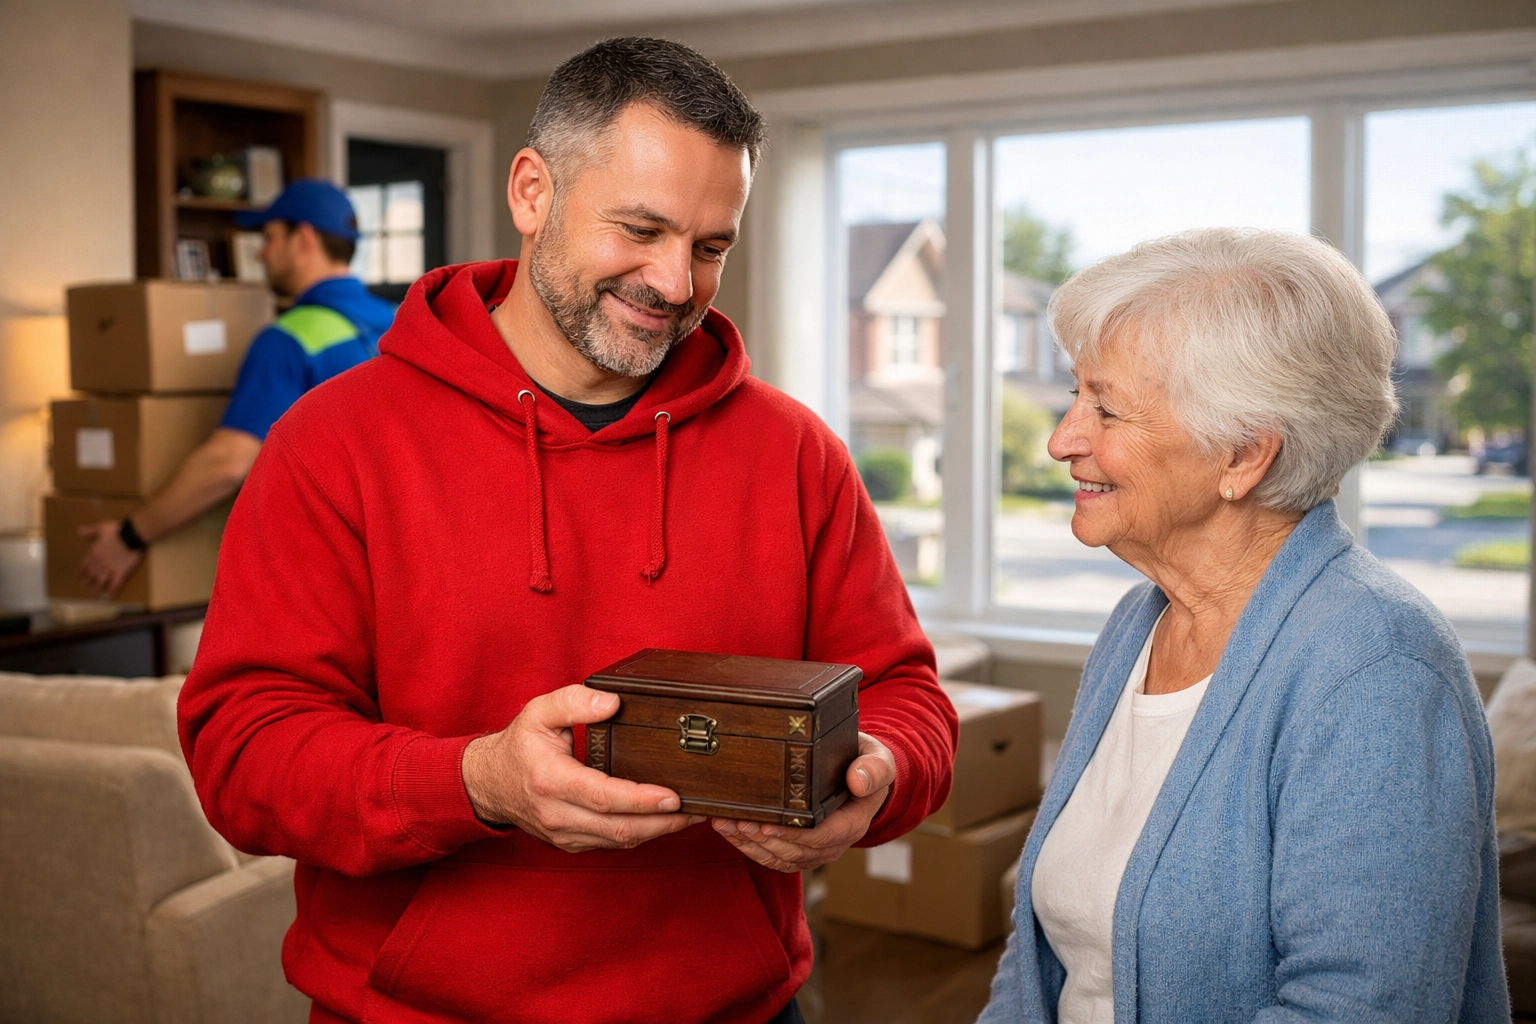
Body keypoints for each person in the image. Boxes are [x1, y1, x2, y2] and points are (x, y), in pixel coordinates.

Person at [177, 38, 957, 1024]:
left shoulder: (797, 453)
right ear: (533, 191)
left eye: (711, 246)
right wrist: (475, 782)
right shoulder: (333, 444)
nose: (676, 282)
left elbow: (907, 698)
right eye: (641, 228)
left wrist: (874, 780)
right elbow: (244, 755)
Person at [979, 227, 1509, 1023]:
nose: (1063, 440)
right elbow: (1039, 962)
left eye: (1106, 408)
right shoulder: (1140, 622)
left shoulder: (1378, 669)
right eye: (1073, 396)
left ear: (1242, 455)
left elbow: (1358, 1010)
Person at [78, 178, 395, 598]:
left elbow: (226, 464)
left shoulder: (288, 339)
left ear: (303, 239)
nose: (261, 253)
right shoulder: (402, 320)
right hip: (402, 567)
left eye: (268, 237)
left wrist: (129, 537)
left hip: (326, 580)